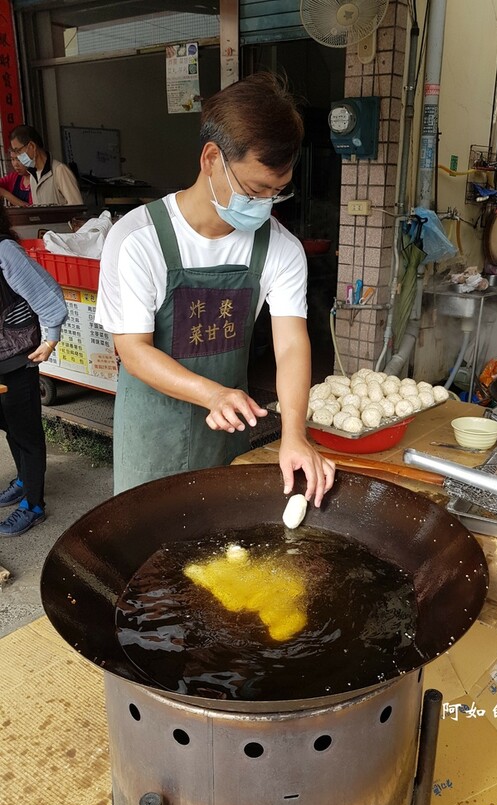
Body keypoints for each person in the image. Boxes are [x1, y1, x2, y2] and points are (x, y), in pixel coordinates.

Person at [96, 72, 335, 505]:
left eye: (277, 193)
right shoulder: (138, 239)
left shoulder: (281, 248)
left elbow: (290, 346)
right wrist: (212, 394)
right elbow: (132, 349)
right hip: (151, 436)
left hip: (227, 435)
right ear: (211, 159)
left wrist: (294, 434)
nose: (264, 204)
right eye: (255, 189)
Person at [0, 205, 68, 536]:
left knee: (26, 432)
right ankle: (24, 480)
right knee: (9, 427)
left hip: (15, 358)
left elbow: (47, 293)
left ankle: (34, 504)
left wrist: (51, 338)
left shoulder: (4, 250)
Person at [9, 125, 83, 206]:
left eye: (18, 151)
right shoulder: (33, 176)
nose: (18, 156)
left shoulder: (59, 171)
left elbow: (77, 206)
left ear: (32, 146)